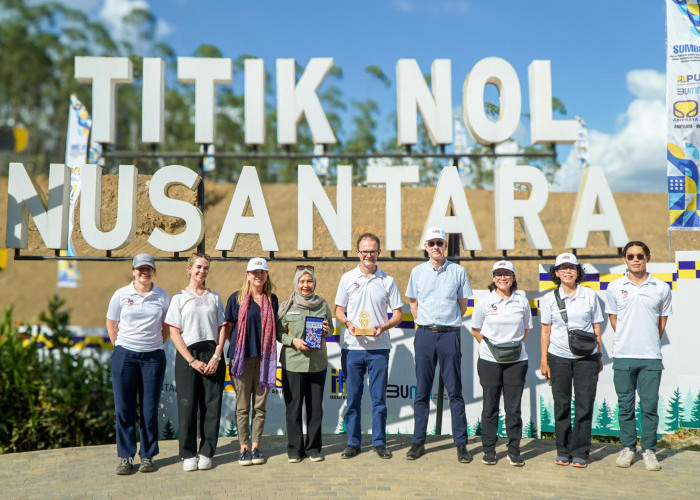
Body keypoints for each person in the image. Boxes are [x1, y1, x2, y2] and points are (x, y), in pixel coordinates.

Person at [404, 227, 473, 463]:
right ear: (426, 246)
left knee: (455, 391)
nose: (436, 247)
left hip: (449, 336)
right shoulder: (417, 272)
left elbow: (462, 305)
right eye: (431, 243)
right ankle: (418, 442)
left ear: (445, 246)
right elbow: (414, 304)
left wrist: (446, 324)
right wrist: (426, 324)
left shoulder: (458, 271)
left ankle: (461, 444)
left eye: (440, 243)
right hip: (424, 334)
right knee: (422, 391)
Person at [334, 233, 403, 459]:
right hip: (352, 348)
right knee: (352, 398)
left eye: (372, 251)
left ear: (379, 253)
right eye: (364, 251)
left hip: (379, 348)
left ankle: (379, 442)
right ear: (357, 253)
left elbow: (398, 315)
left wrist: (384, 326)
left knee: (378, 399)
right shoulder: (347, 278)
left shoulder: (388, 281)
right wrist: (347, 323)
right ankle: (353, 442)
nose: (368, 255)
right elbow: (338, 311)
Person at [605, 241, 672, 471]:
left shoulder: (661, 287)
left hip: (651, 357)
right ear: (624, 259)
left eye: (640, 255)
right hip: (623, 355)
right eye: (631, 255)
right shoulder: (614, 287)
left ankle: (649, 450)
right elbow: (615, 320)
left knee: (650, 405)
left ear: (648, 258)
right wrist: (629, 337)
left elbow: (661, 323)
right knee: (625, 405)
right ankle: (628, 448)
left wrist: (648, 340)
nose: (635, 259)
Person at [106, 254, 170, 475]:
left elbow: (166, 327)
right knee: (124, 409)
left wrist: (152, 344)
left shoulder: (162, 296)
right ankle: (125, 457)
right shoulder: (121, 295)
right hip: (125, 356)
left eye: (148, 269)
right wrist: (120, 347)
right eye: (140, 269)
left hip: (153, 357)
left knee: (149, 409)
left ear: (154, 271)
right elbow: (111, 323)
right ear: (133, 271)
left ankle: (148, 456)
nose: (145, 272)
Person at [164, 253, 227, 472]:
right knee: (188, 405)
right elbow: (174, 333)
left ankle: (206, 452)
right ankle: (188, 453)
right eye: (199, 267)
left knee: (211, 405)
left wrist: (217, 355)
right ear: (189, 269)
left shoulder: (215, 297)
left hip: (212, 353)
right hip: (187, 356)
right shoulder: (179, 298)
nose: (202, 271)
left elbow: (222, 328)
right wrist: (191, 360)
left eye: (206, 268)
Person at [539, 253, 603, 468]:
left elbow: (596, 327)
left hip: (587, 359)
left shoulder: (590, 295)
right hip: (558, 359)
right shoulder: (549, 298)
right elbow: (545, 331)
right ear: (556, 273)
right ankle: (562, 450)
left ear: (578, 271)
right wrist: (544, 360)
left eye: (572, 267)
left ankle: (581, 452)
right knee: (562, 405)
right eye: (563, 268)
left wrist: (599, 355)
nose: (568, 271)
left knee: (584, 405)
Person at [471, 260, 532, 467]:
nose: (502, 277)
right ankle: (489, 450)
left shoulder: (522, 301)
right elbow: (476, 329)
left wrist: (508, 348)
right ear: (493, 277)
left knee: (513, 409)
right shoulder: (484, 301)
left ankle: (514, 451)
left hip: (516, 361)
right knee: (490, 407)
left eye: (507, 274)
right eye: (498, 274)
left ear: (513, 278)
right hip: (489, 361)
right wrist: (492, 348)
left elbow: (526, 329)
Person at [225, 257, 282, 466]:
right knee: (242, 408)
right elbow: (229, 327)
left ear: (266, 275)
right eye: (254, 272)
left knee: (259, 407)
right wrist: (240, 348)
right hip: (242, 361)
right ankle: (244, 448)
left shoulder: (272, 299)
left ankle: (257, 447)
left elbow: (277, 327)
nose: (258, 276)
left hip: (264, 362)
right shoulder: (236, 298)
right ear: (247, 275)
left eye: (262, 272)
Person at [277, 266, 334, 463]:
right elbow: (278, 332)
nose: (305, 285)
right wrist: (293, 341)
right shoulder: (287, 306)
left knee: (315, 408)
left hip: (317, 364)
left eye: (309, 281)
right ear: (296, 283)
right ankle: (294, 449)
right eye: (302, 281)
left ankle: (313, 448)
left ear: (314, 283)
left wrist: (326, 329)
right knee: (293, 408)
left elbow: (331, 328)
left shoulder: (322, 304)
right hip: (293, 363)